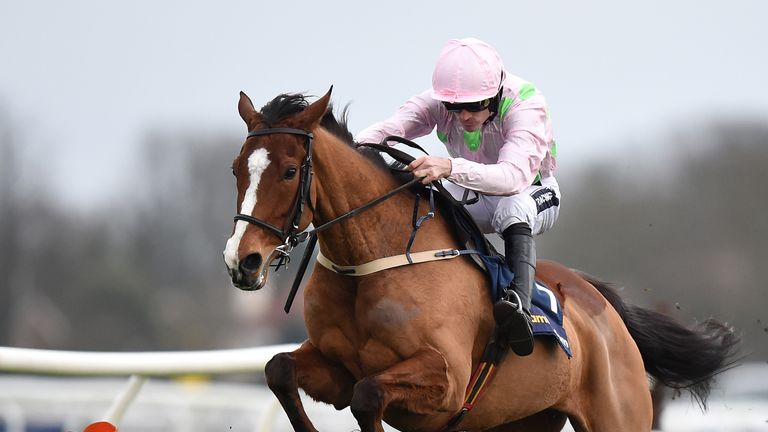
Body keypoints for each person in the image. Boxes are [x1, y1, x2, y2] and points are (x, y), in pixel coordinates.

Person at [355, 37, 560, 357]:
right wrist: (344, 150)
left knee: (512, 207)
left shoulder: (526, 104)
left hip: (532, 190)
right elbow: (386, 131)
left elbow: (512, 178)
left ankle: (519, 305)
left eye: (475, 105)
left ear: (495, 93)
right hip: (474, 190)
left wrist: (449, 166)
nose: (463, 116)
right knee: (420, 195)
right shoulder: (438, 100)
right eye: (455, 107)